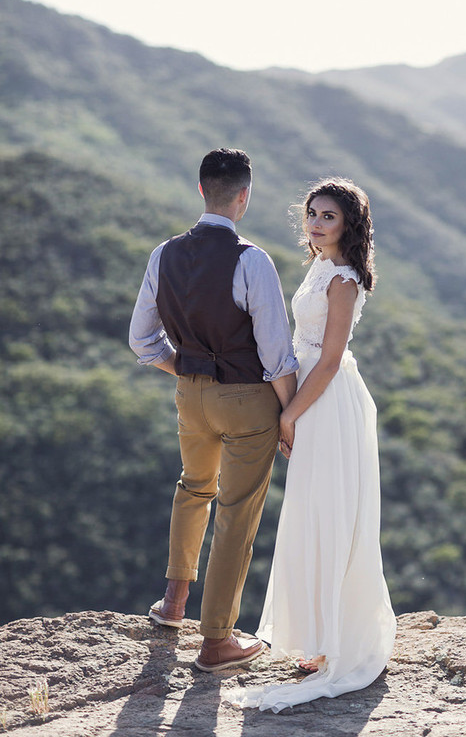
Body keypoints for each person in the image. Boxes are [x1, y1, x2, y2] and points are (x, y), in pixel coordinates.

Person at [231, 177, 397, 712]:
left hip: (325, 401)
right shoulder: (320, 266)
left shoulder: (343, 279)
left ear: (350, 224)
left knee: (329, 512)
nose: (317, 223)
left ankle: (335, 643)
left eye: (329, 216)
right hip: (307, 396)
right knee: (310, 511)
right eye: (312, 214)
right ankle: (319, 637)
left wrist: (290, 415)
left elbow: (328, 360)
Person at [129, 148, 298, 672]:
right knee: (236, 514)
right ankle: (216, 642)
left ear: (201, 189)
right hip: (247, 400)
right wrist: (290, 415)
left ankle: (173, 603)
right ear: (244, 196)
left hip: (190, 393)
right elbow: (277, 355)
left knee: (193, 488)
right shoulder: (252, 259)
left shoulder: (163, 254)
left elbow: (141, 341)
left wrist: (187, 371)